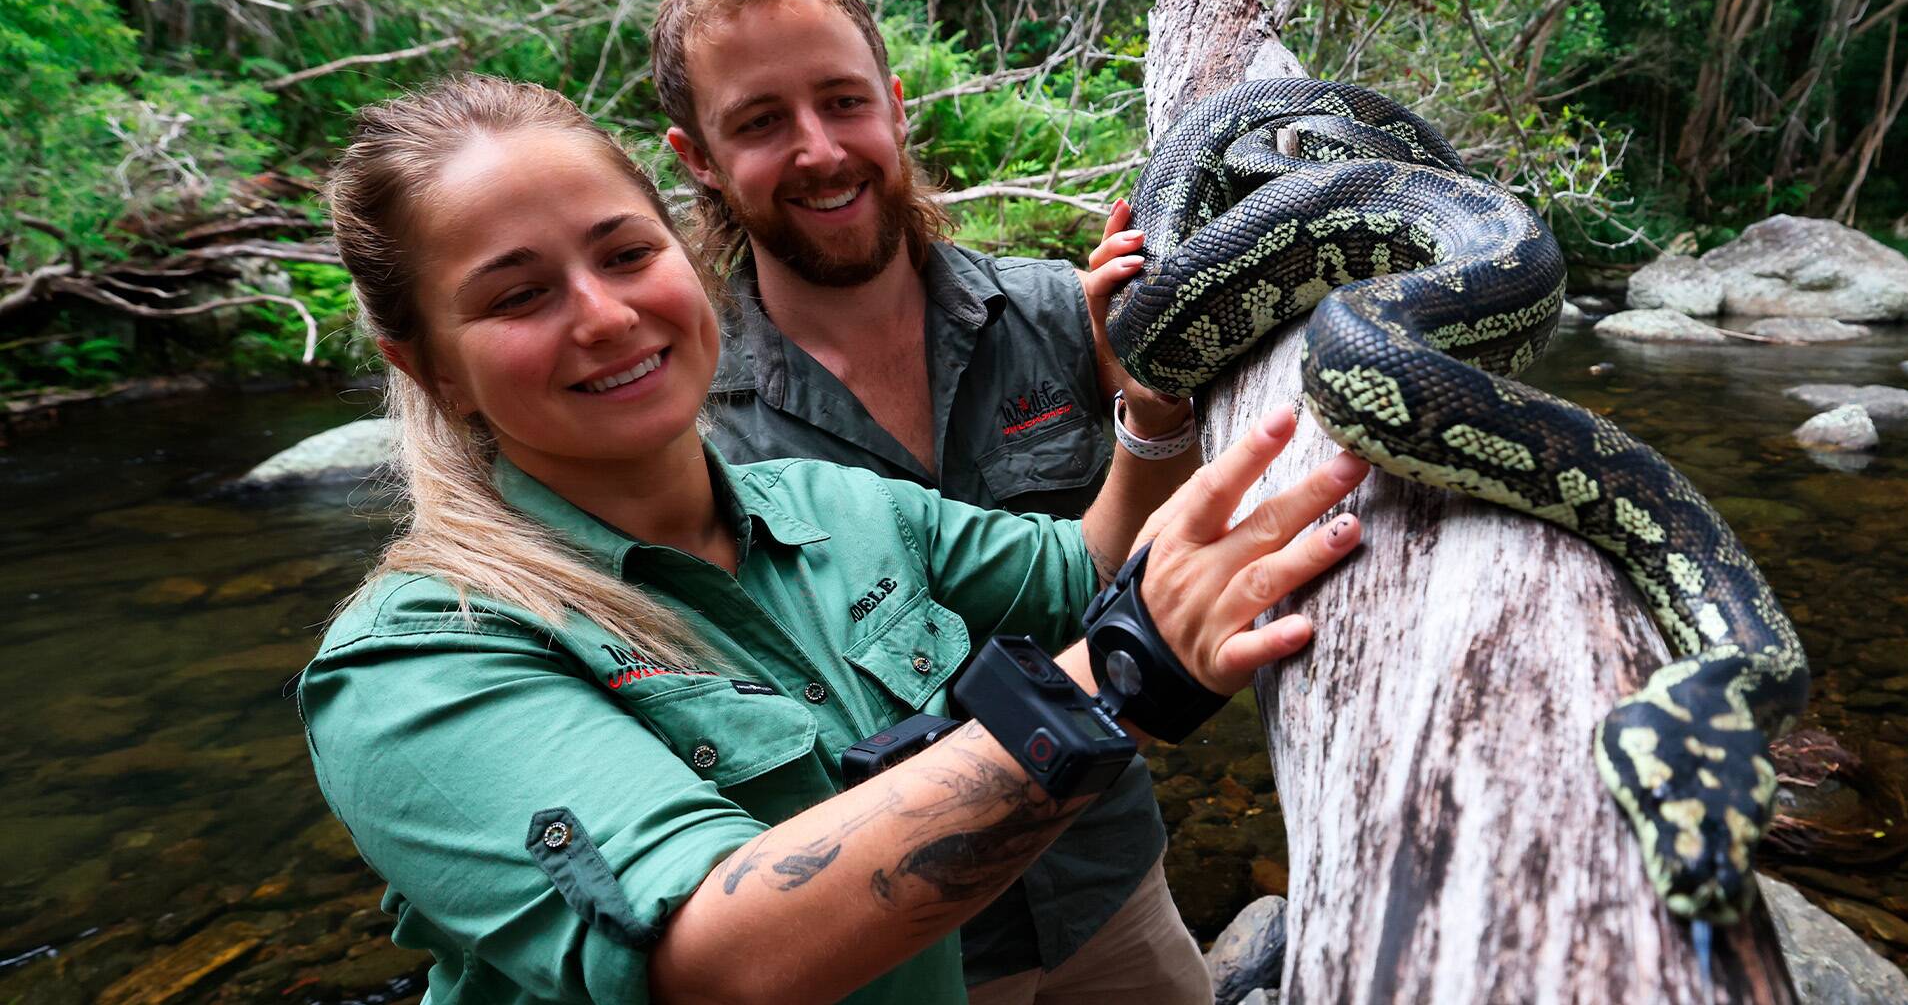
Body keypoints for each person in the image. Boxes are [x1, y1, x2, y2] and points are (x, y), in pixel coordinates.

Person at [300, 73, 1370, 1005]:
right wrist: (1126, 679)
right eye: (519, 295)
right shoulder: (415, 664)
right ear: (429, 365)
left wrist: (1153, 412)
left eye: (625, 253)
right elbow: (717, 964)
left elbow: (1079, 571)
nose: (607, 316)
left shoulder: (831, 503)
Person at [649, 0, 1204, 1000]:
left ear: (896, 107)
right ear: (698, 158)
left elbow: (1169, 554)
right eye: (760, 121)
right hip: (895, 956)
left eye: (843, 101)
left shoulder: (1061, 314)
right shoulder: (680, 421)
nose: (819, 150)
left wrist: (1156, 401)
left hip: (1110, 887)